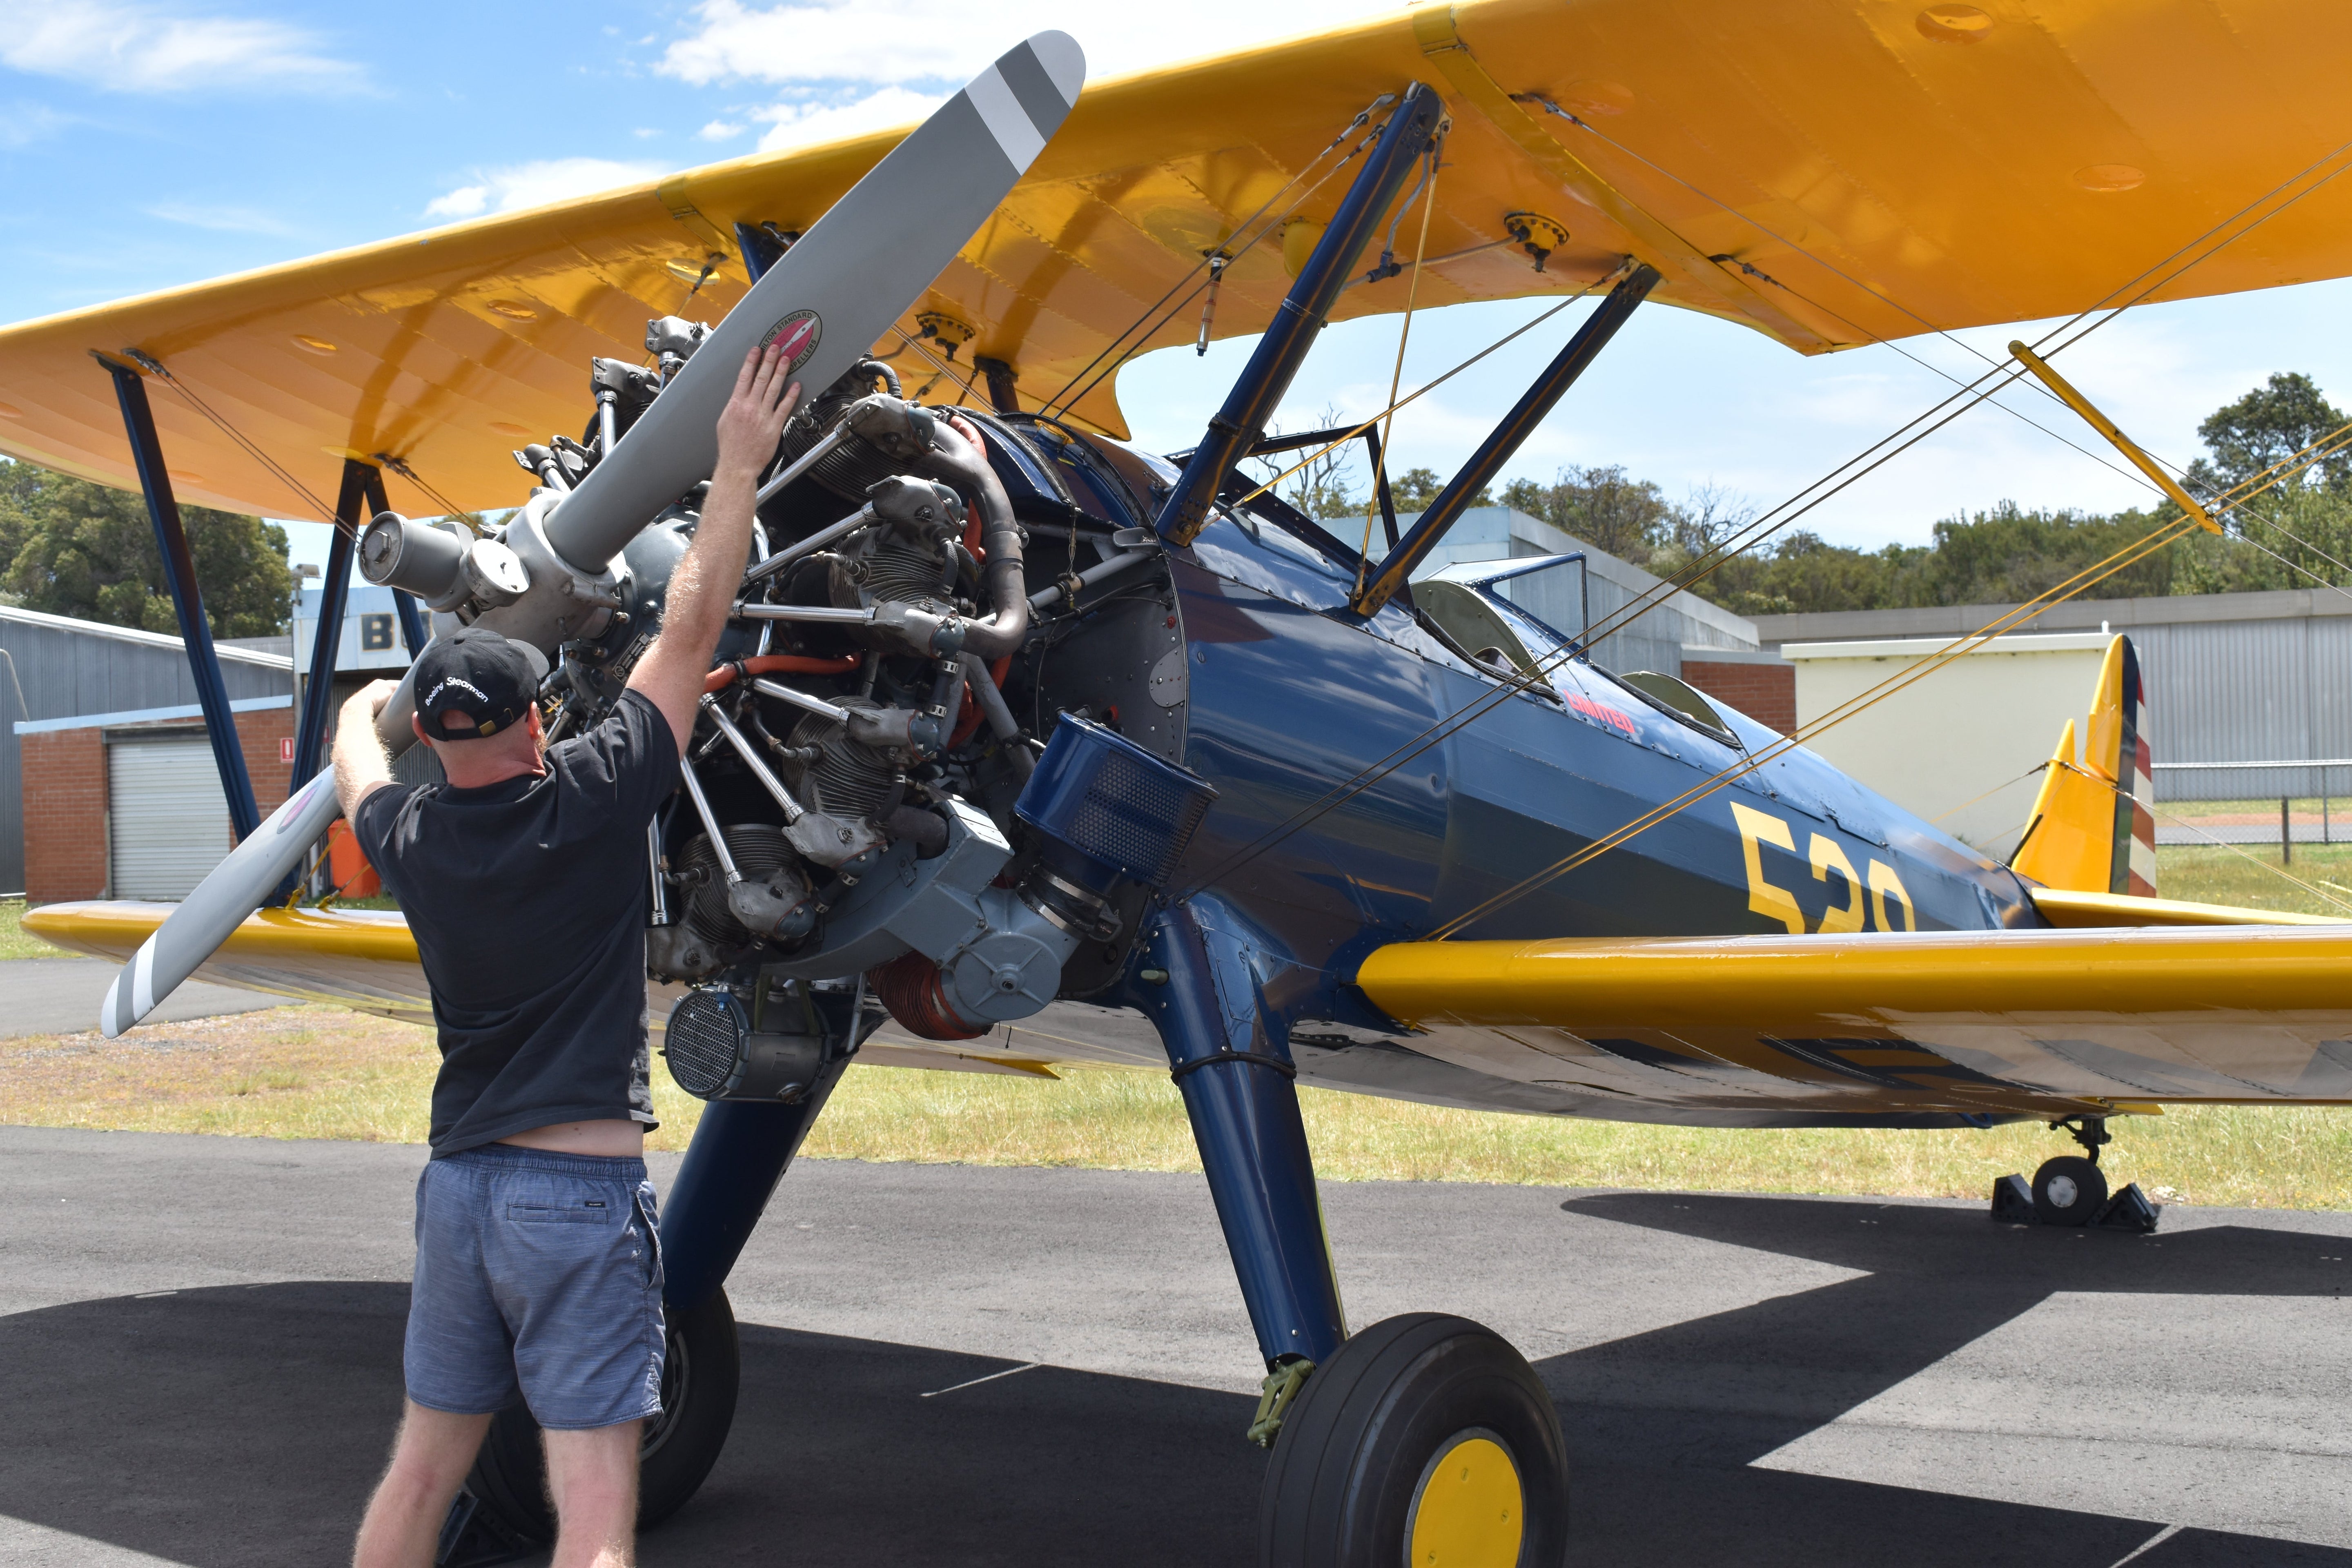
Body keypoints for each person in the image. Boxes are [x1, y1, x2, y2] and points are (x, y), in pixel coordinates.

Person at [340, 343, 802, 1568]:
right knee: (594, 1508)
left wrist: (360, 708)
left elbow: (356, 766)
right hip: (575, 1198)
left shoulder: (408, 835)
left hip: (458, 1195)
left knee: (423, 1472)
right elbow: (696, 619)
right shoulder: (594, 797)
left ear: (438, 742)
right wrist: (738, 465)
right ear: (538, 718)